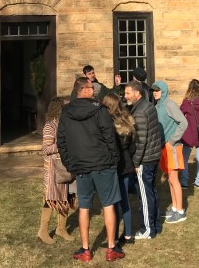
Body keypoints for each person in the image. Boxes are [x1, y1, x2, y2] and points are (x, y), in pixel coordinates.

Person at [57, 77, 125, 262]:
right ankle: (110, 247)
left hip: (85, 165)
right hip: (101, 164)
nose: (94, 89)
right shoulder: (98, 110)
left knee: (85, 207)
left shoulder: (67, 112)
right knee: (107, 204)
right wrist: (114, 159)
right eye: (91, 87)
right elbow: (109, 137)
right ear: (83, 90)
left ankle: (87, 249)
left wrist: (70, 163)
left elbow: (61, 141)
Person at [124, 80, 162, 240]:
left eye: (127, 93)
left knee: (145, 196)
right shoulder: (148, 105)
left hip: (145, 158)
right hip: (152, 156)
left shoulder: (139, 111)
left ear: (137, 93)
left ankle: (147, 229)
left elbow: (141, 139)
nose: (125, 96)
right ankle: (155, 225)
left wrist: (136, 162)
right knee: (151, 191)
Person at [101, 92, 137, 246]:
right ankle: (128, 234)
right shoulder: (127, 119)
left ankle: (114, 237)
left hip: (115, 166)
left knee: (114, 203)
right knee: (125, 202)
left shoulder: (106, 122)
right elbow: (132, 145)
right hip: (127, 164)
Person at [39, 96, 75, 244]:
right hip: (54, 169)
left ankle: (61, 229)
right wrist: (63, 145)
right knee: (51, 198)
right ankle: (43, 231)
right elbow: (46, 148)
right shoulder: (49, 126)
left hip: (66, 167)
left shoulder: (66, 125)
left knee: (66, 197)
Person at [151, 81, 188, 223]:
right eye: (153, 90)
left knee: (174, 178)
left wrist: (172, 141)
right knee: (169, 178)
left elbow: (183, 122)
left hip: (172, 146)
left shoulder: (169, 104)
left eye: (157, 90)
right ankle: (174, 208)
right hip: (163, 147)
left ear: (164, 91)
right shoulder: (157, 105)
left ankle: (180, 211)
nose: (155, 92)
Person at [179, 79, 199, 188]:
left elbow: (180, 114)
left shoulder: (187, 102)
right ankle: (198, 181)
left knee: (184, 158)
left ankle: (184, 181)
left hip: (189, 134)